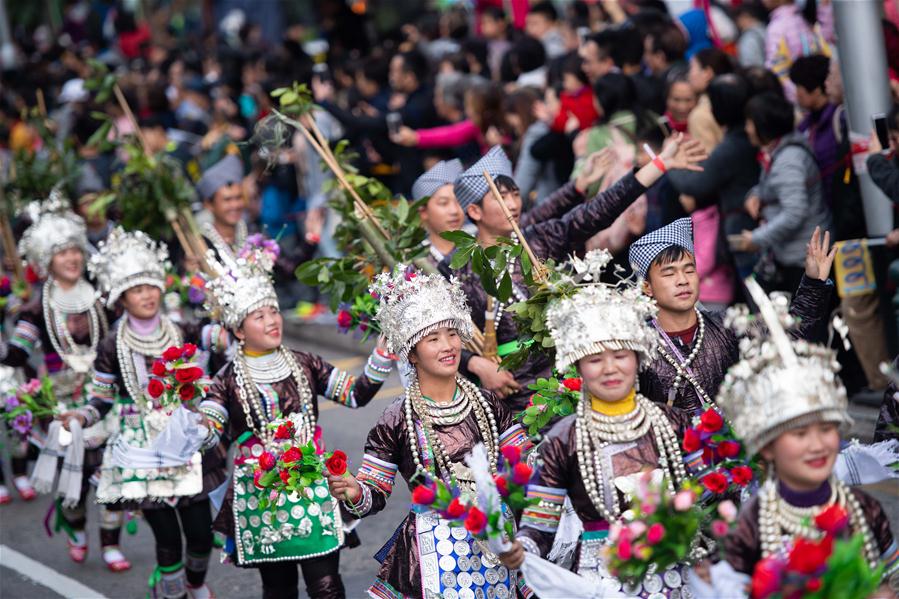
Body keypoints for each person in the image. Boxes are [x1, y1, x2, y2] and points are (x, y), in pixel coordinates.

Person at [446, 135, 707, 413]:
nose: (512, 204)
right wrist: (477, 364)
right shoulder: (458, 267)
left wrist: (659, 164)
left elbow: (598, 211)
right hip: (511, 391)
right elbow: (443, 334)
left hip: (570, 376)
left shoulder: (538, 240)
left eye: (515, 194)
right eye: (501, 197)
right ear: (474, 211)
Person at [498, 249, 699, 596]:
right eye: (595, 359)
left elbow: (711, 490)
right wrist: (522, 549)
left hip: (675, 574)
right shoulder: (564, 439)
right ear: (578, 369)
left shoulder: (672, 423)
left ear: (637, 359)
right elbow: (540, 524)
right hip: (602, 580)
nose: (609, 368)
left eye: (620, 355)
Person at [325, 267, 532, 599]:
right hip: (435, 548)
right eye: (433, 339)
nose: (448, 346)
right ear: (411, 352)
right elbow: (373, 493)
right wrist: (353, 490)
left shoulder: (487, 402)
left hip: (498, 543)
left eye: (451, 334)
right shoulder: (396, 418)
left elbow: (524, 462)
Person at [199, 249, 395, 599]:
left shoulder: (305, 363)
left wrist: (381, 356)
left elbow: (354, 394)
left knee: (326, 585)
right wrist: (196, 427)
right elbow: (210, 423)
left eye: (273, 310)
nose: (272, 320)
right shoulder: (227, 379)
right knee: (278, 588)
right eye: (258, 315)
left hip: (313, 487)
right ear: (239, 330)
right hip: (263, 496)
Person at [60, 228, 226, 599]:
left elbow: (221, 345)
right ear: (122, 298)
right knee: (167, 537)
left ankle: (195, 583)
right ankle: (170, 592)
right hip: (143, 449)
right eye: (137, 290)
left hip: (186, 442)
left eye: (151, 286)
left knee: (200, 533)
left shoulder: (182, 328)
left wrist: (225, 296)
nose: (147, 295)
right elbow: (100, 398)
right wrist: (80, 418)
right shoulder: (110, 345)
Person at [713, 282, 899, 595]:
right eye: (800, 433)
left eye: (826, 430)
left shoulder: (864, 509)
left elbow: (888, 579)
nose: (817, 444)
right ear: (767, 447)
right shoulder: (750, 524)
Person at [4, 193, 129, 571]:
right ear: (46, 261)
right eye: (61, 253)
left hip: (105, 399)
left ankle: (110, 543)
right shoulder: (36, 308)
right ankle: (75, 529)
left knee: (112, 474)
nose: (72, 258)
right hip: (60, 408)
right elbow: (16, 355)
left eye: (75, 250)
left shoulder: (104, 298)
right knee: (71, 481)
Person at [629, 218, 835, 415]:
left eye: (689, 270)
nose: (682, 280)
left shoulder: (726, 325)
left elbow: (786, 337)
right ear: (647, 287)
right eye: (669, 273)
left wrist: (813, 283)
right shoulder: (639, 345)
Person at [667, 74, 760, 280]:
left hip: (744, 231)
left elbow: (696, 184)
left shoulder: (732, 146)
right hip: (754, 227)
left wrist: (669, 162)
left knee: (758, 295)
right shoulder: (748, 136)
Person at [737, 91, 831, 294]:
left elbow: (794, 212)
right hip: (795, 253)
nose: (747, 128)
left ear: (763, 126)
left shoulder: (788, 160)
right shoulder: (779, 150)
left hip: (803, 258)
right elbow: (772, 187)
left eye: (749, 122)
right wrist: (755, 195)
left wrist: (757, 238)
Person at [411, 159, 466, 266]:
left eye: (459, 201)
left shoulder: (478, 249)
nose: (454, 210)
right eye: (443, 203)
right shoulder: (414, 259)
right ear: (423, 212)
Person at [196, 153, 248, 264]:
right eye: (227, 200)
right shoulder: (201, 247)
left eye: (238, 197)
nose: (235, 205)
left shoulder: (254, 237)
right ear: (209, 205)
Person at [686, 48, 735, 153]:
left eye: (691, 68)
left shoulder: (700, 116)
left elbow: (706, 162)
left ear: (707, 73)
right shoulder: (736, 100)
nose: (688, 75)